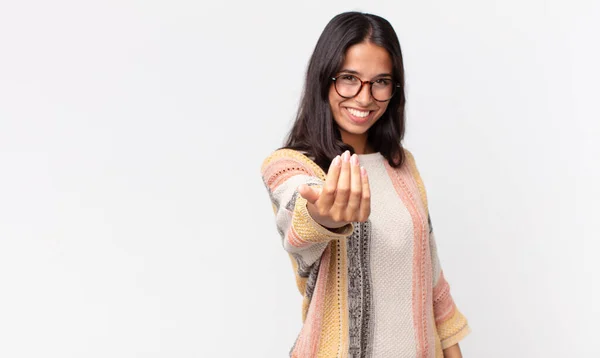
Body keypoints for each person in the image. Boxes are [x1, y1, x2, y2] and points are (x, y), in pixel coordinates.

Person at [260, 11, 470, 358]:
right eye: (349, 78)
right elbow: (298, 218)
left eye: (381, 81)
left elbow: (432, 279)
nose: (364, 96)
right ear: (323, 79)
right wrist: (323, 213)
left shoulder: (402, 165)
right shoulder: (290, 166)